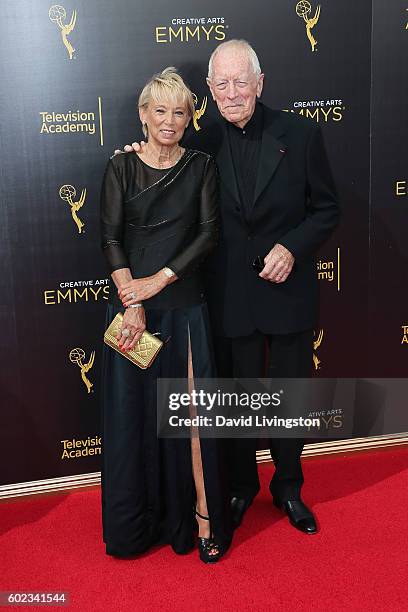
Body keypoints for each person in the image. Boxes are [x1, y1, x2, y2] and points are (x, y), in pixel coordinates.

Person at [121, 40, 340, 535]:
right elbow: (158, 174)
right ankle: (241, 487)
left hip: (287, 293)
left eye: (242, 81)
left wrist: (293, 247)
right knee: (236, 402)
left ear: (260, 83)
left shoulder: (302, 134)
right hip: (228, 299)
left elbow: (327, 209)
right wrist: (136, 156)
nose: (232, 91)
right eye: (222, 83)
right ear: (210, 90)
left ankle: (288, 488)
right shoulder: (198, 145)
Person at [100, 67, 232, 563]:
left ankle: (203, 517)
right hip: (129, 312)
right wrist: (133, 301)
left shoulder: (200, 165)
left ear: (190, 117)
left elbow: (207, 235)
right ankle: (136, 527)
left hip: (183, 308)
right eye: (161, 111)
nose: (170, 121)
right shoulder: (120, 168)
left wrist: (158, 282)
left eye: (180, 112)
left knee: (193, 419)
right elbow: (110, 239)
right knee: (131, 418)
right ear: (143, 115)